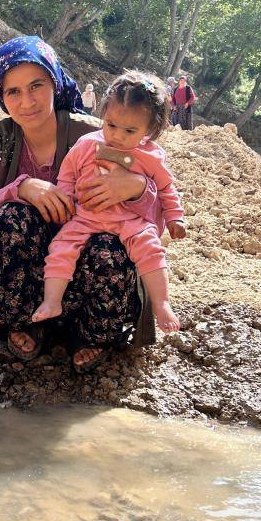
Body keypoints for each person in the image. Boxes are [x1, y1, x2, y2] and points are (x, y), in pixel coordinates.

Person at [0, 35, 159, 373]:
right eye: (13, 92)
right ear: (1, 97)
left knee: (110, 244)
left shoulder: (97, 135)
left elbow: (156, 220)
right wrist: (19, 188)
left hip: (87, 275)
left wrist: (137, 187)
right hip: (31, 281)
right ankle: (27, 323)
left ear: (55, 82)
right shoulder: (1, 139)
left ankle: (90, 333)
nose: (27, 102)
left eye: (36, 85)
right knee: (12, 217)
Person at [32, 71, 185, 332]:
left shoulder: (150, 156)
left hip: (131, 221)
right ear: (103, 115)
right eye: (111, 125)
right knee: (61, 248)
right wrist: (66, 200)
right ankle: (52, 301)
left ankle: (161, 303)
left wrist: (175, 217)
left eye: (130, 130)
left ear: (150, 130)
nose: (118, 136)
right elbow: (67, 175)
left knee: (151, 251)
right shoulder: (86, 145)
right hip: (85, 216)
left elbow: (166, 188)